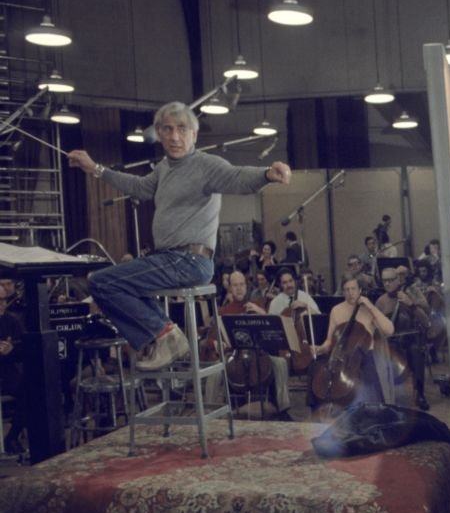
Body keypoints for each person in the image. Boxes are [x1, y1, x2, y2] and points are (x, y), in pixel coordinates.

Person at [67, 101, 292, 369]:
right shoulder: (164, 168)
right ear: (159, 134)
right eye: (167, 129)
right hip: (169, 259)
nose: (175, 137)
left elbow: (237, 177)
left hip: (189, 261)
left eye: (182, 129)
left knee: (102, 283)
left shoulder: (206, 165)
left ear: (194, 135)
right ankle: (164, 335)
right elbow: (138, 187)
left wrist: (267, 174)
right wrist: (96, 169)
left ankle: (164, 335)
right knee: (112, 284)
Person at [212, 271, 291, 419]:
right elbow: (213, 338)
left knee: (280, 363)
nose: (239, 288)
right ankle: (210, 412)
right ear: (230, 288)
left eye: (242, 284)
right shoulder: (224, 311)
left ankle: (283, 408)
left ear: (246, 286)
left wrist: (261, 313)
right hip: (234, 356)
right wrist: (218, 343)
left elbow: (273, 330)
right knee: (214, 371)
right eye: (235, 285)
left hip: (259, 355)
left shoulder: (257, 305)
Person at [315, 276, 395, 406]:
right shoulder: (336, 310)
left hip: (366, 356)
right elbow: (330, 340)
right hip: (343, 357)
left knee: (372, 391)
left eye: (353, 289)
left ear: (360, 290)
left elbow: (389, 330)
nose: (350, 293)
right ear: (342, 292)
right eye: (346, 289)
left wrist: (370, 307)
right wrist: (321, 348)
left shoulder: (368, 310)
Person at [376, 267, 431, 410]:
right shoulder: (381, 302)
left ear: (398, 280)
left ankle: (420, 394)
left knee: (416, 352)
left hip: (410, 341)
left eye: (390, 280)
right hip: (389, 344)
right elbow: (376, 327)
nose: (387, 284)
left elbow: (426, 322)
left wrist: (411, 305)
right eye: (384, 281)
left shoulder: (409, 295)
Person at [0, 286, 27, 453]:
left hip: (6, 369)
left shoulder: (12, 320)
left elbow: (24, 347)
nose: (2, 304)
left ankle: (12, 436)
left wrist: (12, 349)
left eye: (3, 300)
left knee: (29, 390)